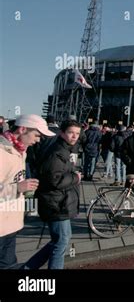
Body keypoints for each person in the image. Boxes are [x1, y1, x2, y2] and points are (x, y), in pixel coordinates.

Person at [23, 120, 82, 269]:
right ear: (62, 133)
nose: (74, 136)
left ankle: (28, 267)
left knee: (61, 239)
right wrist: (76, 177)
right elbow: (54, 180)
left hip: (60, 200)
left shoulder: (66, 149)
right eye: (71, 132)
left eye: (77, 133)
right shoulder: (58, 152)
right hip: (55, 202)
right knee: (61, 242)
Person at [0, 114, 55, 269]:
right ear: (23, 129)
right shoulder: (2, 152)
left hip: (10, 223)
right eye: (36, 135)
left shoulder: (20, 151)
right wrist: (17, 188)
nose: (38, 140)